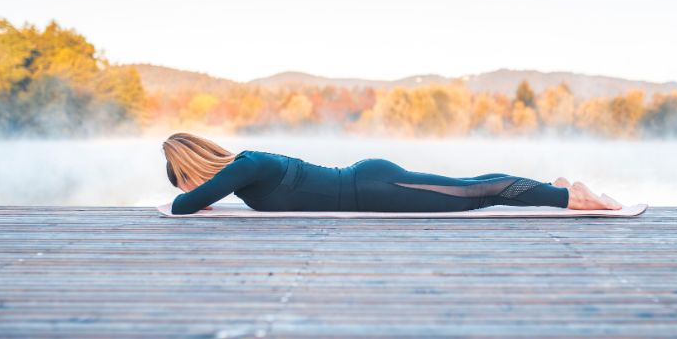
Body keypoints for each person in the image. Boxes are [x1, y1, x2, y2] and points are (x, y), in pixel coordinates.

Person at [163, 132, 623, 216]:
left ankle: (572, 198)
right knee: (468, 189)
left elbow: (183, 207)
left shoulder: (245, 167)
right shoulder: (244, 176)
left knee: (477, 194)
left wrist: (194, 196)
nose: (195, 191)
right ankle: (556, 187)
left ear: (193, 170)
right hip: (367, 186)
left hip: (371, 187)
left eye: (187, 179)